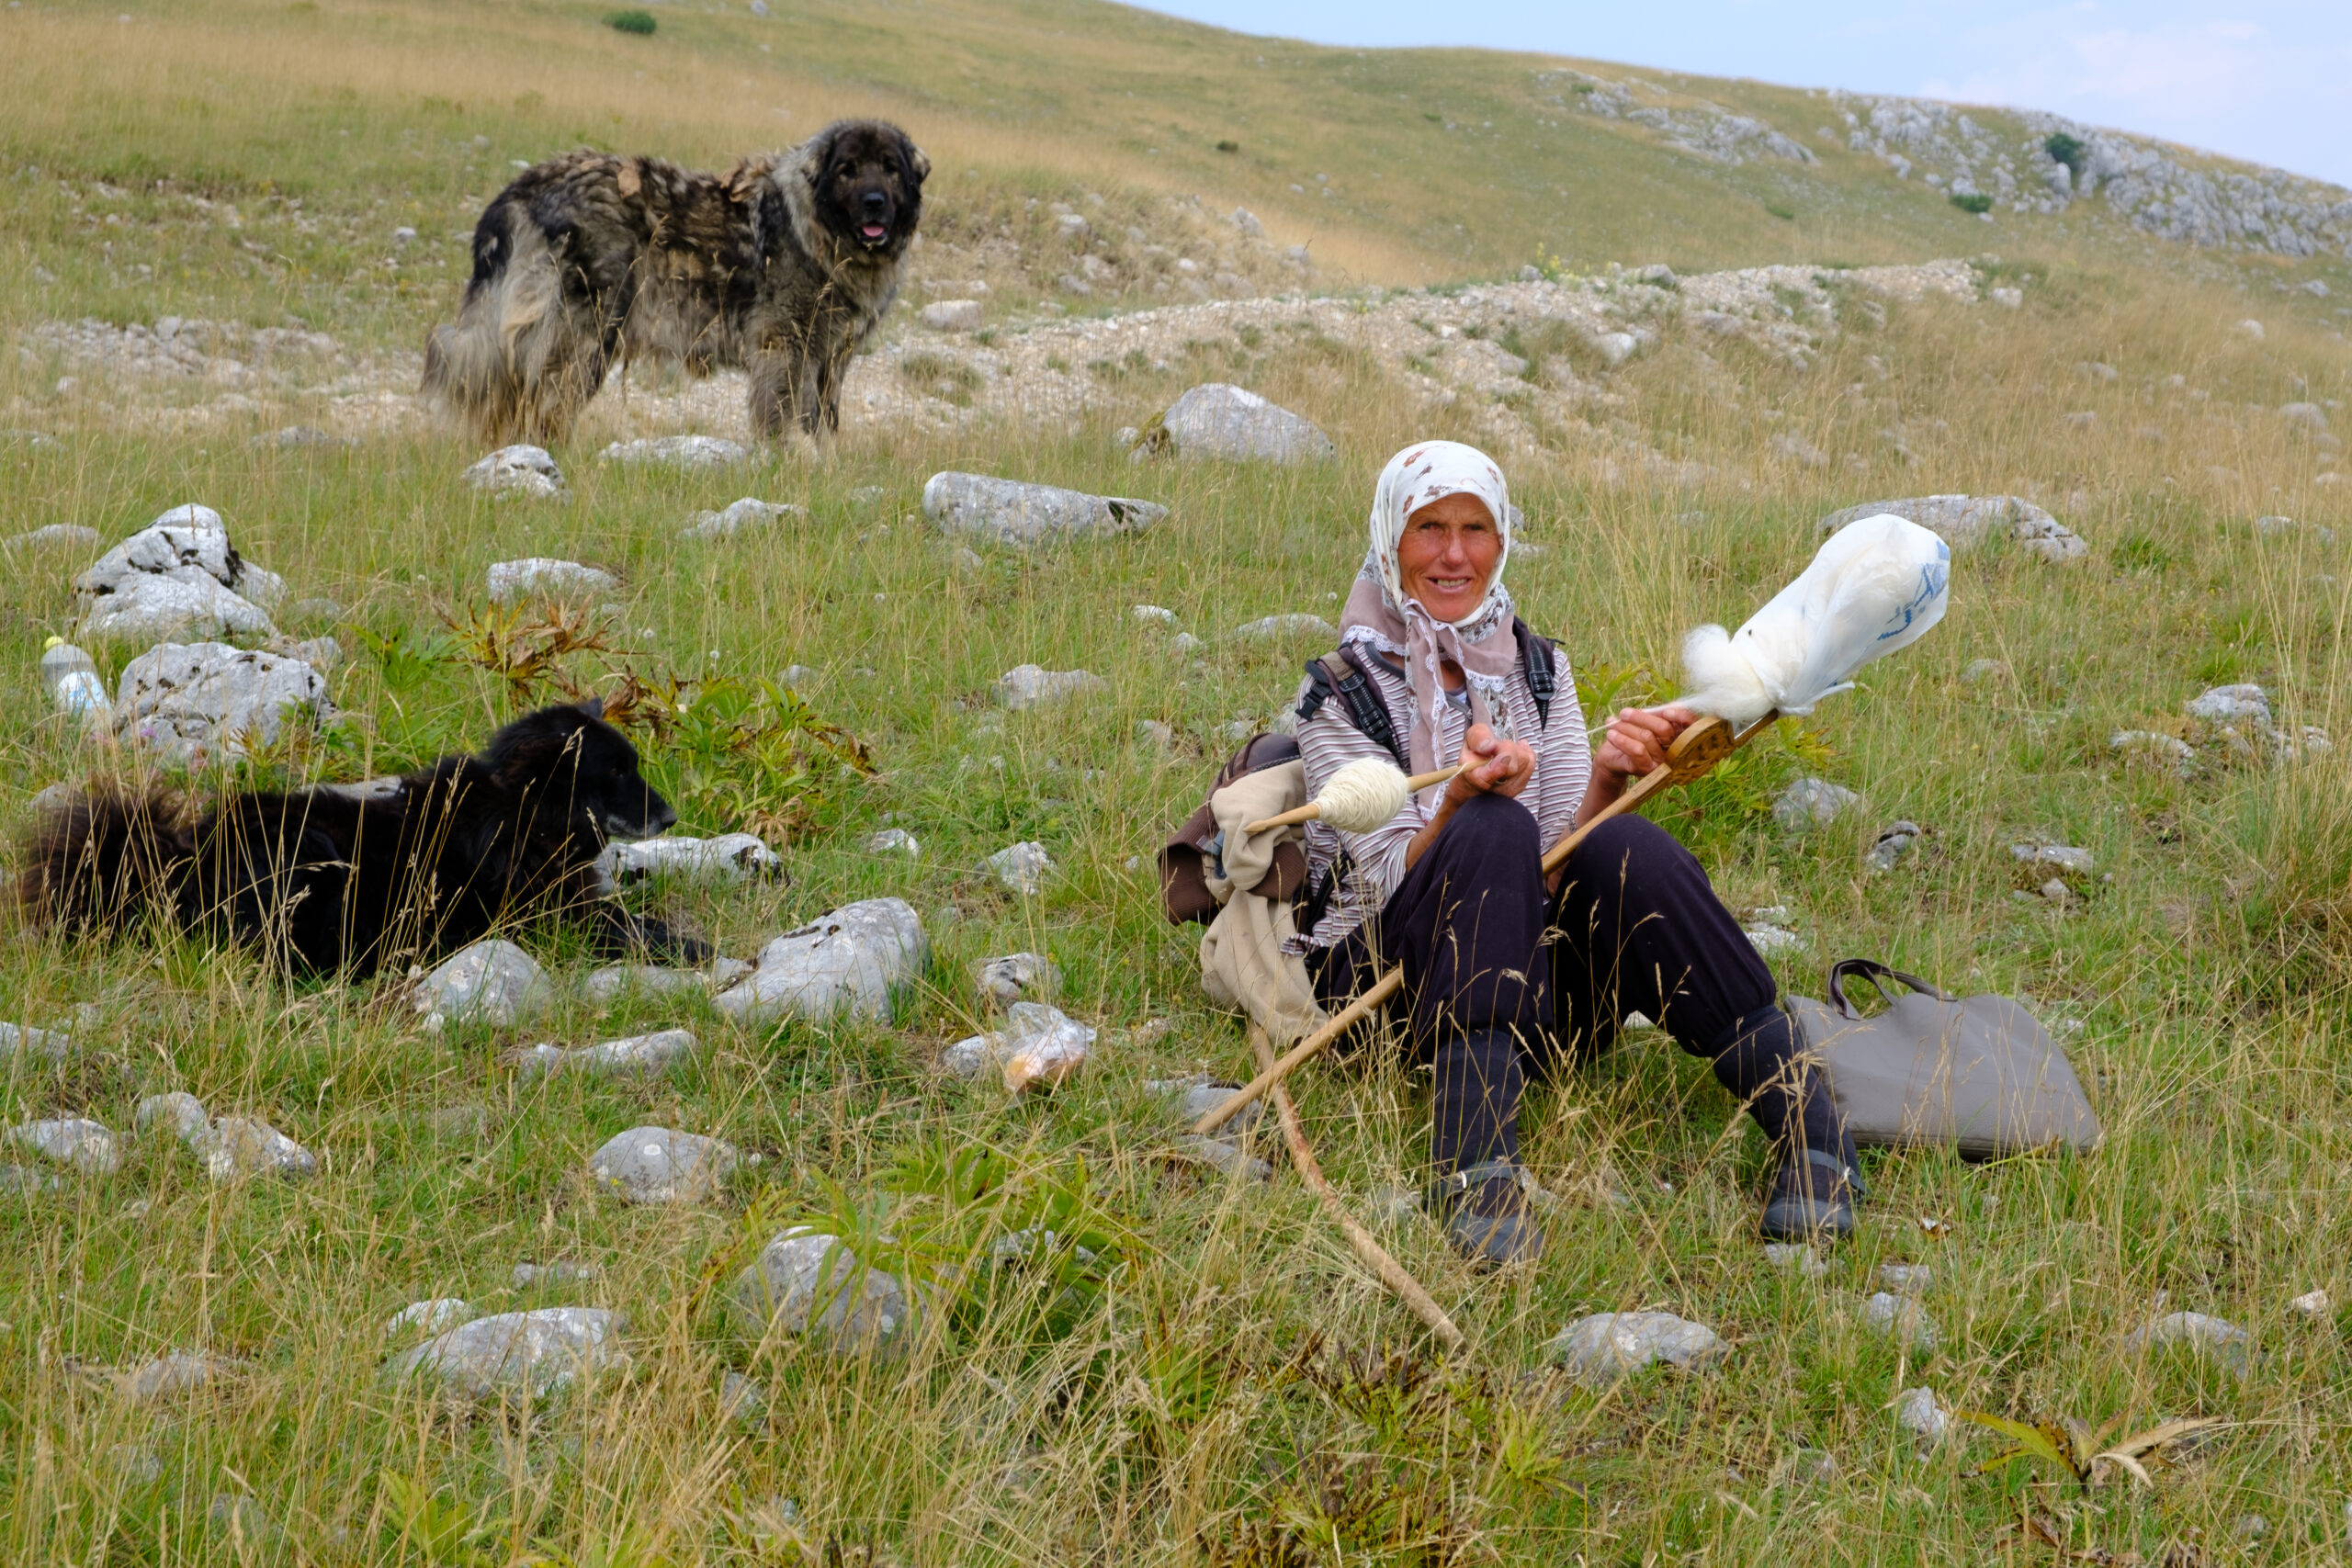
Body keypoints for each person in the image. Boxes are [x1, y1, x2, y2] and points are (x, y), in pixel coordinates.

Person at [1292, 440, 1860, 1267]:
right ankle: (1474, 1167)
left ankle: (1813, 1128)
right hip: (1385, 999)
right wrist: (1458, 802)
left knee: (1623, 844)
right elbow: (1378, 880)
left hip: (1534, 1004)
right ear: (1390, 540)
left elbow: (1561, 862)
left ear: (1502, 538)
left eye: (1476, 528)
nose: (1455, 554)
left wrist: (1610, 780)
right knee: (1491, 828)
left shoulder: (1539, 667)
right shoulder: (1337, 688)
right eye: (1429, 528)